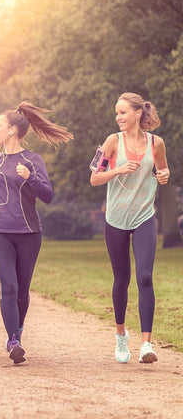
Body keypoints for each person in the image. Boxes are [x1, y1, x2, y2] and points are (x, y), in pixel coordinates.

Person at [0, 101, 73, 364]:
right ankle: (13, 341)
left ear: (13, 130)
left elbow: (47, 196)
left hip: (28, 233)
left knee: (22, 291)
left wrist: (31, 177)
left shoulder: (32, 160)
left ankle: (17, 332)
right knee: (9, 285)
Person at [90, 92, 169, 364]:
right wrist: (118, 170)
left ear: (137, 113)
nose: (118, 117)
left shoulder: (156, 143)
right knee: (121, 279)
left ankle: (146, 345)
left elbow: (162, 172)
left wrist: (164, 175)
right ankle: (121, 335)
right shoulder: (113, 141)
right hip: (116, 219)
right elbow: (94, 178)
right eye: (116, 113)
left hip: (145, 216)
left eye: (123, 112)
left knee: (145, 277)